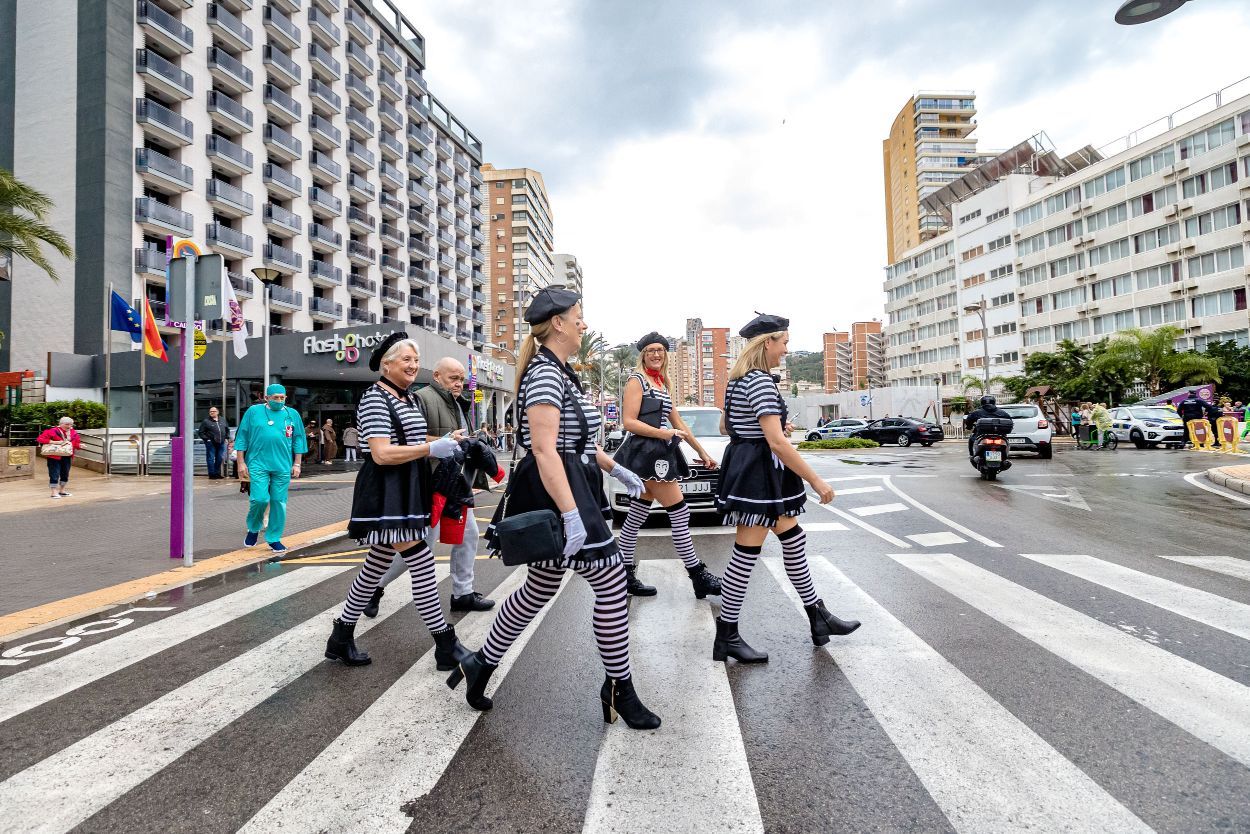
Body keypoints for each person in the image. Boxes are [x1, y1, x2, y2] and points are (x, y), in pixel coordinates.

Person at [449, 287, 659, 730]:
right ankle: (619, 688)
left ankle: (480, 664)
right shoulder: (545, 373)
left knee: (539, 588)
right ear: (558, 323)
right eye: (578, 316)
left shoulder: (561, 372)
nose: (583, 323)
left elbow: (575, 444)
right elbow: (545, 450)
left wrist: (617, 469)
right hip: (557, 490)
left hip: (570, 481)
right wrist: (569, 514)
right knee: (611, 580)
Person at [712, 312, 859, 664]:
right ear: (768, 343)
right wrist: (816, 479)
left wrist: (766, 430)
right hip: (760, 475)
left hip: (754, 470)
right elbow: (776, 443)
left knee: (793, 541)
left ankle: (817, 617)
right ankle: (727, 635)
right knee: (745, 556)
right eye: (785, 343)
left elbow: (725, 427)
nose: (787, 350)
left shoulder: (738, 380)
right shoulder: (760, 382)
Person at [324, 333, 468, 669]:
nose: (413, 365)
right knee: (421, 562)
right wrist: (431, 449)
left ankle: (341, 636)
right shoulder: (375, 399)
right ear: (386, 364)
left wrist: (444, 440)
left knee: (376, 564)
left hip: (407, 488)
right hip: (386, 491)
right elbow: (382, 452)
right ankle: (446, 643)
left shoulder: (409, 400)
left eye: (416, 360)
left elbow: (415, 439)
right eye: (406, 359)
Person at [361, 356, 496, 618]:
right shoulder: (420, 398)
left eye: (461, 379)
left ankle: (463, 593)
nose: (459, 384)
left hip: (455, 482)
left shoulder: (458, 403)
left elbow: (457, 439)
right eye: (453, 378)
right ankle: (374, 588)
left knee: (467, 536)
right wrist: (445, 441)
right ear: (436, 376)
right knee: (420, 545)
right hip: (429, 483)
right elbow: (410, 437)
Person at [613, 331, 723, 599]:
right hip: (647, 453)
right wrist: (666, 435)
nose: (656, 354)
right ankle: (698, 575)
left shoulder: (661, 383)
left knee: (637, 516)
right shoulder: (636, 381)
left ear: (665, 355)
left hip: (658, 452)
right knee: (680, 513)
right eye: (650, 350)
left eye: (660, 350)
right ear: (643, 355)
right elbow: (629, 422)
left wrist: (703, 452)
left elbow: (680, 424)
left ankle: (623, 575)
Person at [234, 384, 308, 553]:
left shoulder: (292, 414)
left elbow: (298, 440)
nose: (279, 401)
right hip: (257, 463)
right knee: (259, 499)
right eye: (275, 397)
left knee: (278, 502)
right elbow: (242, 436)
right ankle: (253, 527)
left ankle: (274, 538)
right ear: (266, 398)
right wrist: (240, 462)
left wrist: (297, 463)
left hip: (282, 465)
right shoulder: (253, 412)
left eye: (282, 398)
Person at [37, 416, 80, 499]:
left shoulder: (73, 432)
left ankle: (62, 491)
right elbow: (40, 439)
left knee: (65, 473)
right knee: (54, 473)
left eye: (71, 424)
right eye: (67, 424)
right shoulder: (53, 431)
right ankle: (53, 492)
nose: (69, 426)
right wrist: (55, 442)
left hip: (67, 455)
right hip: (54, 456)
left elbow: (75, 443)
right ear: (60, 424)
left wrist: (79, 445)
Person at [963, 395, 1010, 469]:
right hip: (1000, 436)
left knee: (972, 439)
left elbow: (969, 420)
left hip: (981, 435)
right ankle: (1005, 458)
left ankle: (972, 455)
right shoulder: (1002, 413)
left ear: (982, 403)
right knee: (1006, 441)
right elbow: (1009, 421)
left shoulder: (977, 412)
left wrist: (969, 426)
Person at [198, 406, 228, 480]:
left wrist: (227, 437)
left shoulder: (222, 420)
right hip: (211, 443)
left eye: (213, 411)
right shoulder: (206, 421)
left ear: (217, 412)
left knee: (220, 458)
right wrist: (207, 439)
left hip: (221, 442)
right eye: (210, 411)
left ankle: (217, 473)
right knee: (210, 458)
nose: (211, 413)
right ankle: (211, 474)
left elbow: (227, 429)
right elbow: (201, 432)